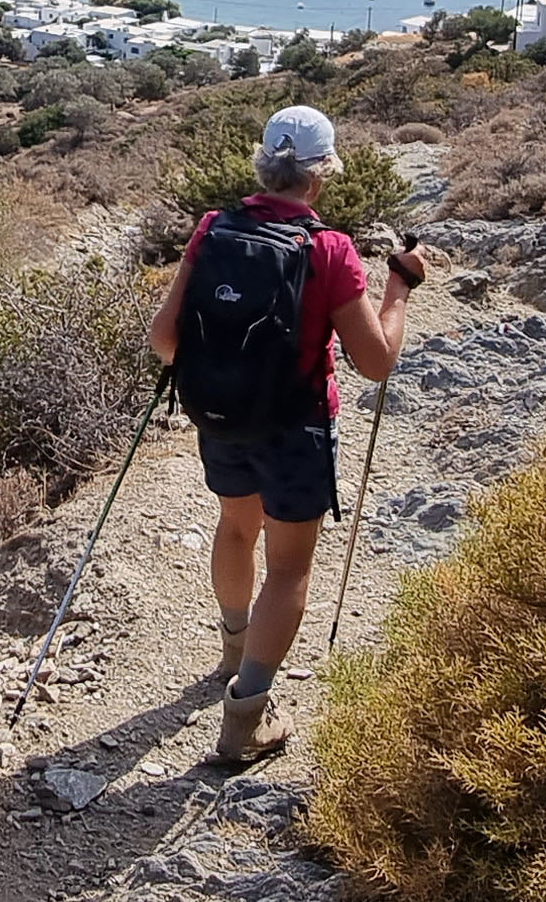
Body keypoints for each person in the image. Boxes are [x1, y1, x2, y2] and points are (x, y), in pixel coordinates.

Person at [147, 103, 429, 764]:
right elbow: (377, 360)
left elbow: (164, 342)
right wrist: (400, 288)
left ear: (263, 163)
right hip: (296, 429)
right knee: (290, 567)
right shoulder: (328, 250)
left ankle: (232, 650)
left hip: (220, 418)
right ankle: (245, 718)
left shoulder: (213, 228)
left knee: (235, 529)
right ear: (321, 171)